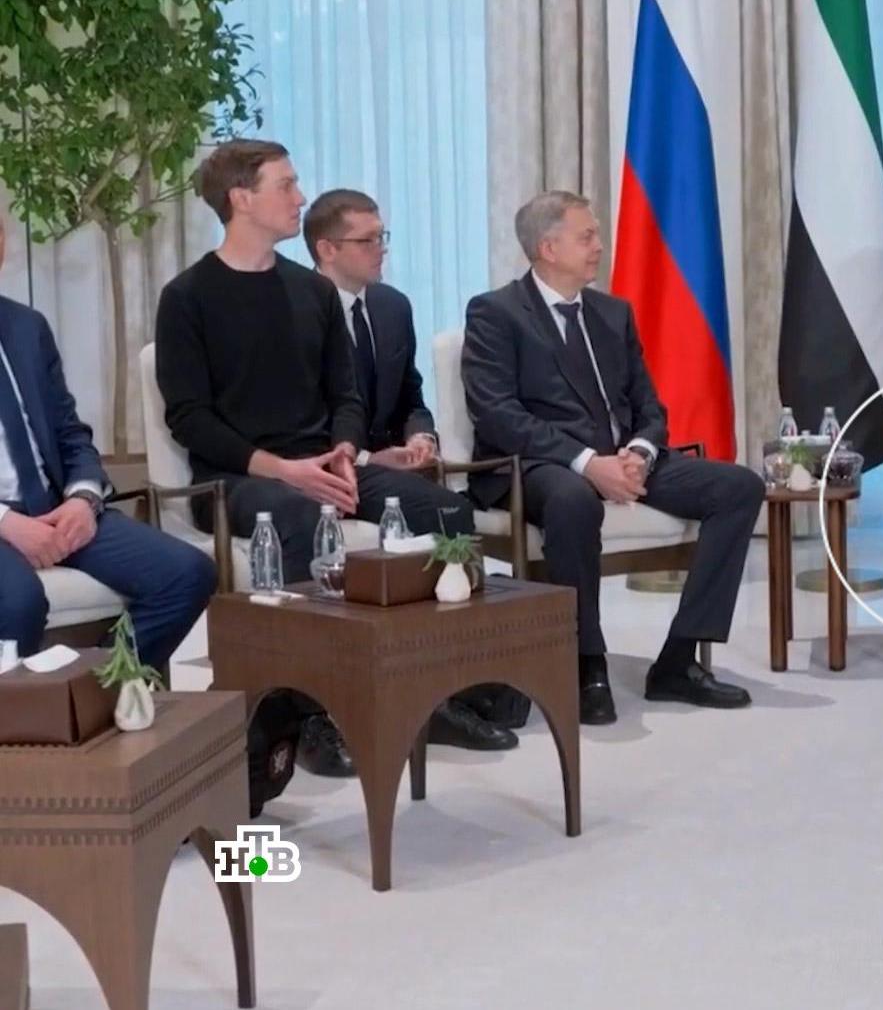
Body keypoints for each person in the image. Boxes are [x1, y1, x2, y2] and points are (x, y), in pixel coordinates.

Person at [154, 139, 477, 807]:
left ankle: (437, 686)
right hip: (238, 477)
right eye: (286, 185)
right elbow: (190, 418)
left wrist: (343, 451)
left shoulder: (313, 292)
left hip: (326, 463)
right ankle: (309, 709)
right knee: (303, 516)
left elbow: (345, 395)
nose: (300, 198)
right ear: (241, 199)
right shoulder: (188, 297)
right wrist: (285, 469)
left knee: (444, 510)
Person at [462, 191, 763, 724]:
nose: (599, 246)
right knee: (574, 502)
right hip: (538, 465)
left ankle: (678, 661)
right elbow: (497, 415)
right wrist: (586, 462)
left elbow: (649, 405)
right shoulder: (496, 312)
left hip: (624, 459)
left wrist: (641, 451)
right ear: (548, 248)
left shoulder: (612, 313)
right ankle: (585, 665)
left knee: (739, 487)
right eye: (587, 237)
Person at [304, 187, 514, 753]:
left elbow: (410, 395)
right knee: (438, 511)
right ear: (326, 248)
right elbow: (299, 419)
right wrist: (365, 458)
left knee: (449, 511)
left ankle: (457, 675)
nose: (382, 249)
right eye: (367, 240)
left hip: (386, 464)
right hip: (328, 467)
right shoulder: (296, 310)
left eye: (383, 237)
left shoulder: (392, 306)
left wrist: (421, 435)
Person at [0, 220, 215, 667]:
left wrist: (83, 498)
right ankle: (26, 710)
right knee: (18, 603)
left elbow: (69, 433)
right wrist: (7, 523)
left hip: (55, 506)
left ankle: (96, 686)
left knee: (187, 574)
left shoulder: (26, 327)